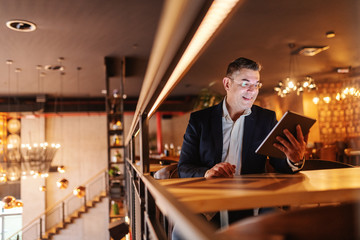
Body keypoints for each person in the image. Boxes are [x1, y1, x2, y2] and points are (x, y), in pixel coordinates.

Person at [177, 57, 307, 226]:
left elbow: (280, 164)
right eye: (245, 83)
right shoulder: (200, 120)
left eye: (256, 84)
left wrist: (294, 159)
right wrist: (207, 173)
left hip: (254, 202)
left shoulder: (266, 119)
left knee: (286, 227)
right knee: (180, 232)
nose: (252, 90)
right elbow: (184, 168)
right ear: (227, 84)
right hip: (210, 201)